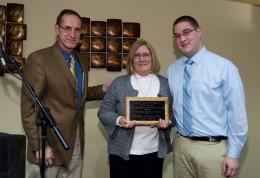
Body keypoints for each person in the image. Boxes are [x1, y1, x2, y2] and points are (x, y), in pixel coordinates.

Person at [21, 9, 111, 178]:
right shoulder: (39, 59)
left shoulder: (81, 60)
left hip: (75, 140)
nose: (72, 34)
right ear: (57, 29)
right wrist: (38, 145)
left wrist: (102, 89)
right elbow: (28, 108)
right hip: (48, 143)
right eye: (67, 28)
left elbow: (75, 94)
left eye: (77, 30)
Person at [166, 15, 248, 178]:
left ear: (199, 31)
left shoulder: (224, 67)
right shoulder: (172, 70)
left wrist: (233, 154)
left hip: (213, 150)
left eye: (186, 32)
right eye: (177, 35)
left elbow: (236, 113)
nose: (182, 38)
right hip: (181, 146)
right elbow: (170, 108)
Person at [98, 39, 175, 178]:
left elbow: (174, 113)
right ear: (131, 60)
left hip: (154, 152)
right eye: (137, 55)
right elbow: (103, 111)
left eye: (146, 55)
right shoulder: (119, 83)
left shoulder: (166, 84)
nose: (141, 59)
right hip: (122, 153)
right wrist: (119, 120)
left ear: (152, 58)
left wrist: (168, 122)